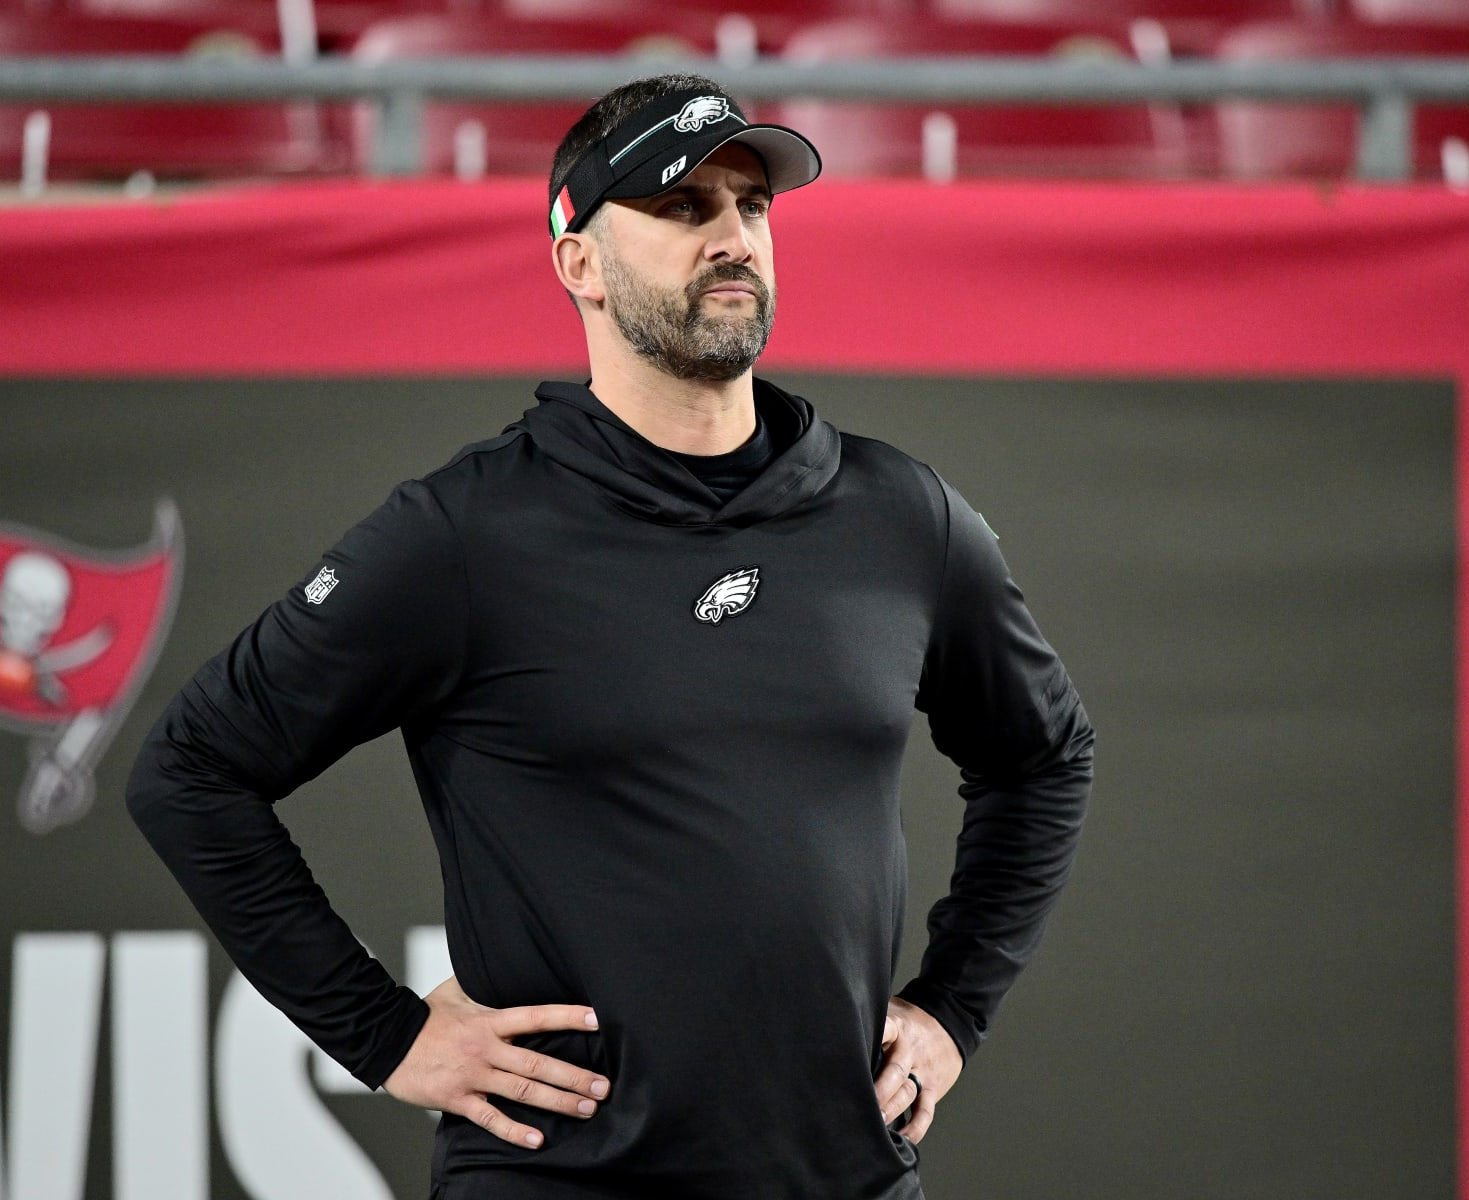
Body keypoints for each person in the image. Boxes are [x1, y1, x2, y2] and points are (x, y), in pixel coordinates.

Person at [127, 72, 1094, 1200]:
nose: (733, 236)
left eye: (752, 207)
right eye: (684, 208)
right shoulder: (467, 534)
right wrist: (385, 1037)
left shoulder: (900, 515)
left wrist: (952, 1008)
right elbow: (190, 771)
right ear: (577, 261)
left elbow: (1044, 755)